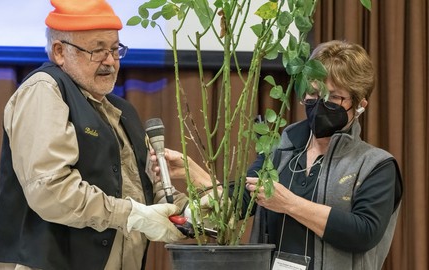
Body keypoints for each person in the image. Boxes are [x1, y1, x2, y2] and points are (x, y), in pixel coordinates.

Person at [153, 40, 403, 270]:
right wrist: (191, 171)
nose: (319, 103)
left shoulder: (375, 165)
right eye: (313, 93)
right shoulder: (280, 151)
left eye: (334, 97)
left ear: (360, 105)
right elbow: (241, 201)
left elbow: (364, 233)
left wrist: (291, 204)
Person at [0, 0, 189, 269]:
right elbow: (51, 190)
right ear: (59, 52)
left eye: (115, 50)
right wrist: (131, 215)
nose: (110, 62)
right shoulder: (44, 90)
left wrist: (188, 211)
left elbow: (142, 191)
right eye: (97, 50)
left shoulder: (121, 109)